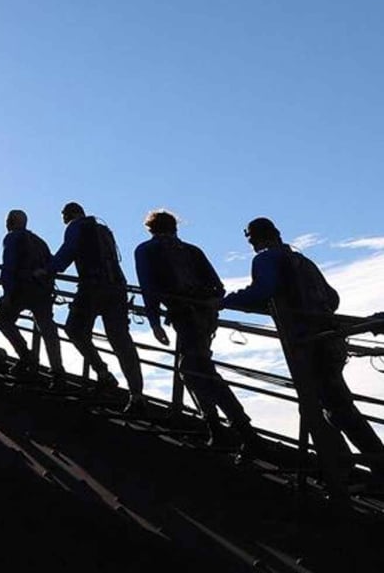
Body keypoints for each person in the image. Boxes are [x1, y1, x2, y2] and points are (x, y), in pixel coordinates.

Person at [222, 217, 384, 489]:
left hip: (306, 342)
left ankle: (361, 469)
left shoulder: (265, 259)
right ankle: (345, 466)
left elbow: (263, 290)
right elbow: (332, 298)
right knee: (331, 405)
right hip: (330, 338)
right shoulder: (302, 261)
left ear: (255, 238)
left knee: (332, 408)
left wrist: (227, 301)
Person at [133, 209, 255, 447]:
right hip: (205, 316)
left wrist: (155, 322)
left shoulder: (146, 250)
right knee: (198, 368)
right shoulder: (192, 250)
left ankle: (235, 429)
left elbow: (149, 290)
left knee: (194, 371)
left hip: (183, 315)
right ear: (175, 227)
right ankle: (229, 428)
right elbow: (218, 287)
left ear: (150, 229)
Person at [47, 202, 145, 411]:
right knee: (121, 341)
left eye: (64, 215)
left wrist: (47, 270)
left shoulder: (76, 226)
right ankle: (136, 395)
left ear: (70, 214)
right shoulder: (103, 229)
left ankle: (103, 373)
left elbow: (67, 253)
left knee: (75, 330)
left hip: (92, 287)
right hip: (117, 287)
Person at [0, 209, 65, 381]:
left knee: (3, 320)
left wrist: (7, 293)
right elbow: (52, 263)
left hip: (22, 289)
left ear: (11, 222)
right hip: (42, 290)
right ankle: (57, 370)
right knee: (47, 328)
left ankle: (27, 356)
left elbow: (9, 266)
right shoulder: (39, 241)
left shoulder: (12, 238)